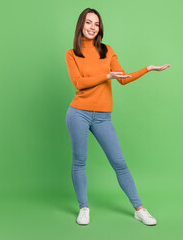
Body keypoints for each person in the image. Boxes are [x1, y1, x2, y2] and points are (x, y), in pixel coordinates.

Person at [64, 8, 170, 226]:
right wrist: (106, 76)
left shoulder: (107, 50)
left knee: (119, 162)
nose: (93, 27)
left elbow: (122, 78)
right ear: (80, 26)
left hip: (103, 116)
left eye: (96, 23)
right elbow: (78, 82)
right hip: (78, 113)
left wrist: (148, 68)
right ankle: (84, 208)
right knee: (79, 161)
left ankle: (139, 209)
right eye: (88, 23)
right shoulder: (72, 54)